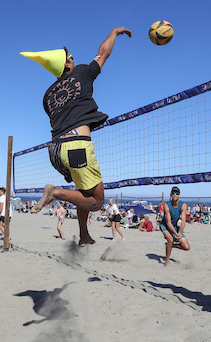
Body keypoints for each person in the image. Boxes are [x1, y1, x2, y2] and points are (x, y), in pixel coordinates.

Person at [21, 26, 132, 247]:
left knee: (83, 190)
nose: (73, 58)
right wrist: (114, 32)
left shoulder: (47, 96)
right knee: (97, 201)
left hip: (55, 151)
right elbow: (104, 52)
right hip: (77, 147)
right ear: (66, 63)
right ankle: (55, 192)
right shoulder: (81, 73)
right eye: (70, 56)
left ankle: (84, 235)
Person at [160, 187, 191, 266]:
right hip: (165, 225)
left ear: (179, 195)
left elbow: (183, 221)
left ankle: (171, 246)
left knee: (186, 247)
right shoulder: (167, 205)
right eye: (173, 193)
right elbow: (168, 222)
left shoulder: (183, 205)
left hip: (174, 226)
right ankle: (167, 261)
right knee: (170, 239)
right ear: (171, 194)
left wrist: (180, 232)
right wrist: (175, 233)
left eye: (176, 193)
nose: (175, 194)